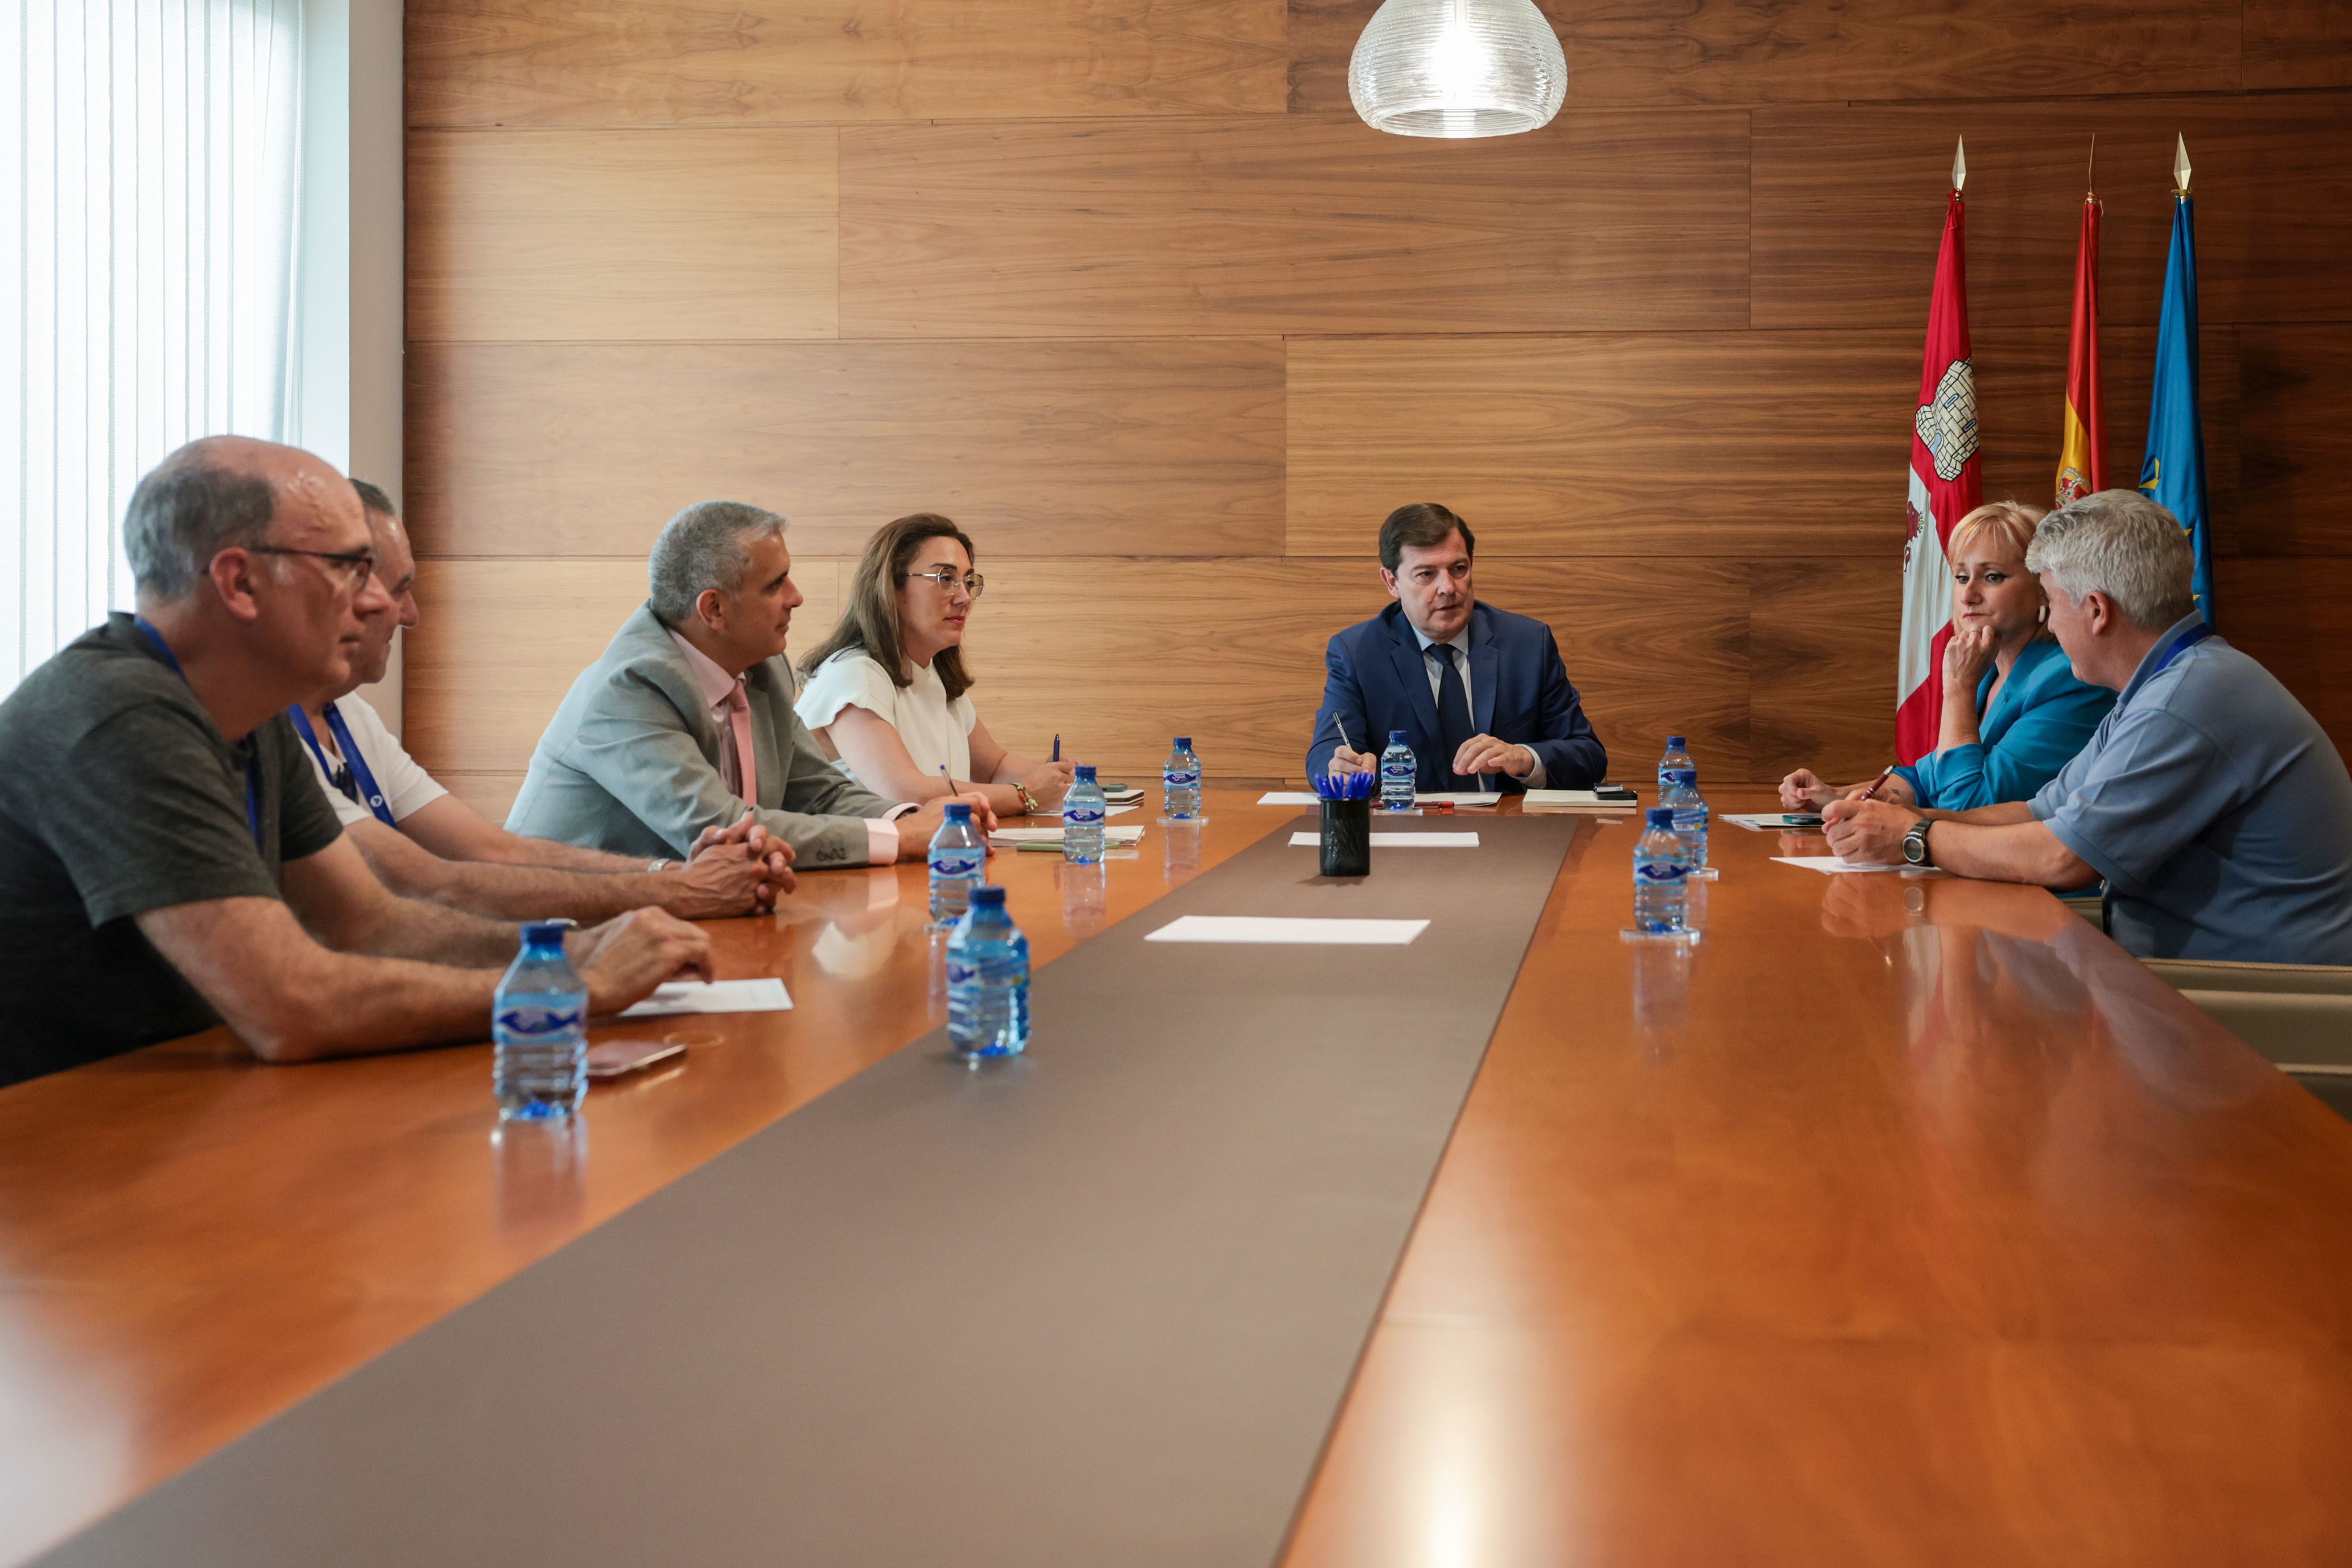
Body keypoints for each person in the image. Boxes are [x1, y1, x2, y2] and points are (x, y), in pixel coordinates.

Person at [0, 438, 710, 1089]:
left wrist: (564, 955)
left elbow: (372, 923)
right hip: (62, 1145)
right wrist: (569, 986)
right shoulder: (121, 715)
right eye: (349, 568)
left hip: (181, 1101)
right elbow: (291, 1003)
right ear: (239, 582)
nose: (380, 603)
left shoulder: (250, 716)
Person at [1825, 490, 2352, 965]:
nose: (2050, 624)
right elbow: (2040, 812)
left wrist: (1916, 838)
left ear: (2097, 611)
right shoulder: (2165, 684)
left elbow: (2064, 857)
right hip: (2190, 976)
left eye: (2052, 605)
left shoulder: (2180, 702)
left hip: (2259, 995)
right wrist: (1905, 818)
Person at [292, 481, 794, 921]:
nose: (409, 614)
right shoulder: (636, 680)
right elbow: (428, 880)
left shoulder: (350, 715)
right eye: (391, 588)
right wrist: (679, 888)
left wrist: (672, 874)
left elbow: (491, 851)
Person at [506, 500, 995, 869]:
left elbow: (820, 793)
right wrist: (904, 840)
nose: (797, 597)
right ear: (713, 609)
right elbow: (721, 828)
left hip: (682, 912)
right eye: (775, 584)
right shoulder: (628, 689)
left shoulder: (765, 669)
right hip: (556, 937)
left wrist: (913, 820)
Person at [1781, 501, 2112, 812]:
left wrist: (1958, 690)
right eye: (1961, 577)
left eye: (1993, 576)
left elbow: (1968, 805)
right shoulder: (1986, 672)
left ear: (2044, 588)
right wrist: (1836, 797)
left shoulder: (2069, 679)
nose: (1968, 595)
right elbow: (1929, 776)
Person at [1308, 503, 1606, 791]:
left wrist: (1524, 758)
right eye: (1426, 574)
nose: (1448, 587)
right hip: (1406, 830)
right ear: (1392, 582)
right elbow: (1327, 751)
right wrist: (1341, 768)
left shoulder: (1527, 645)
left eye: (1458, 568)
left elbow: (1587, 756)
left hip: (1510, 829)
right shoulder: (1357, 652)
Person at [795, 513, 1073, 818]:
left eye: (968, 581)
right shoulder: (851, 673)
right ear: (892, 587)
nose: (964, 597)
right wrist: (1026, 795)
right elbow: (906, 793)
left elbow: (995, 768)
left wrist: (1058, 781)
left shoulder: (935, 676)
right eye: (945, 579)